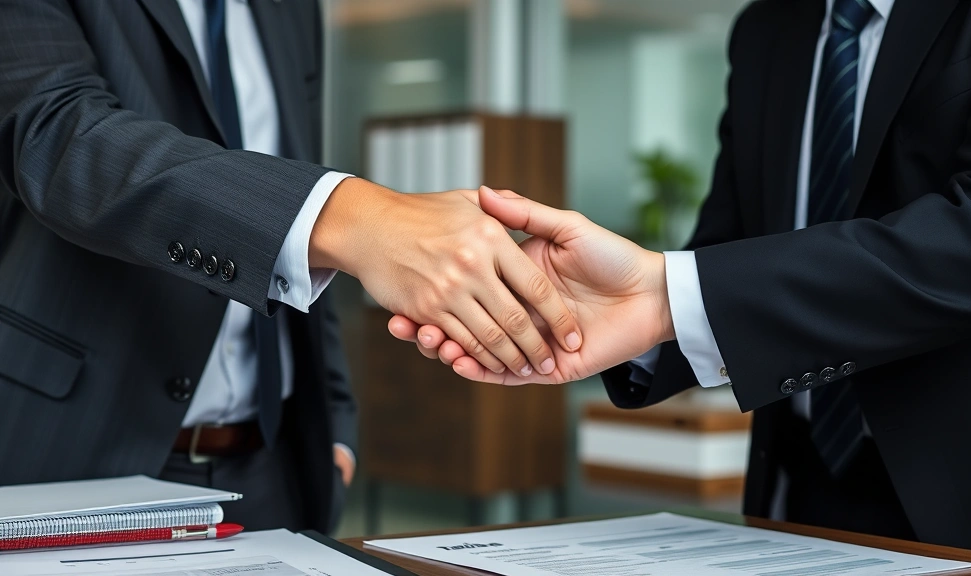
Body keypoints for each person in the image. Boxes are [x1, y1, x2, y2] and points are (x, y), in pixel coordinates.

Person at [390, 0, 971, 557]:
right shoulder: (768, 29)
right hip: (792, 484)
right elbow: (729, 246)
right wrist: (595, 316)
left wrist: (665, 296)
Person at [0, 0, 581, 532]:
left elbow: (300, 199)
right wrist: (359, 218)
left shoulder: (292, 9)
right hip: (78, 455)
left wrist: (338, 428)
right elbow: (57, 137)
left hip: (275, 470)